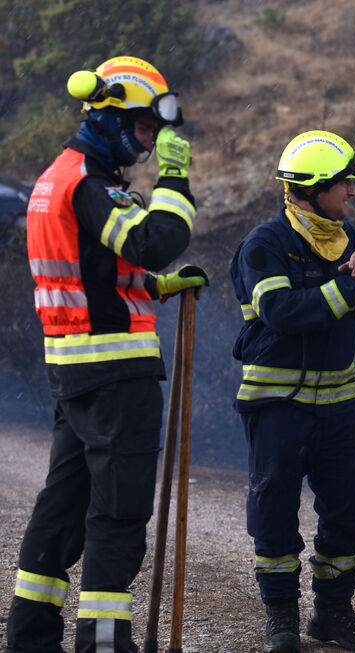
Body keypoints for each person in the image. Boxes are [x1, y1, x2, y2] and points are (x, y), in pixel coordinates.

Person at [6, 55, 204, 652]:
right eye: (144, 129)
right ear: (111, 116)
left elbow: (95, 274)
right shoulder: (91, 185)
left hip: (75, 369)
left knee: (62, 506)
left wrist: (154, 288)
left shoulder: (56, 178)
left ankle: (31, 640)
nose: (147, 144)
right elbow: (154, 241)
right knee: (117, 516)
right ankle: (105, 643)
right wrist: (173, 182)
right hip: (116, 374)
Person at [230, 130, 355, 653]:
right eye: (343, 183)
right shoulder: (265, 244)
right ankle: (281, 618)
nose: (351, 192)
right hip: (278, 404)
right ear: (313, 188)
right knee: (275, 513)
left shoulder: (351, 236)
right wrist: (349, 285)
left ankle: (332, 615)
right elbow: (281, 312)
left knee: (346, 509)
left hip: (338, 405)